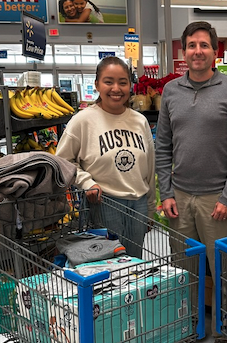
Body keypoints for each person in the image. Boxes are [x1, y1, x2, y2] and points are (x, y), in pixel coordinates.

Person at [155, 21, 227, 343]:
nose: (197, 51)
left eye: (204, 45)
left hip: (217, 201)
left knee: (221, 268)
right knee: (184, 267)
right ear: (184, 52)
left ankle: (224, 331)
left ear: (215, 52)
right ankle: (189, 324)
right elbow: (163, 145)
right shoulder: (171, 92)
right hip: (179, 197)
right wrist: (166, 192)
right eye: (191, 45)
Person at [56, 56, 155, 258]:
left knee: (135, 263)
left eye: (123, 82)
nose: (116, 88)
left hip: (139, 204)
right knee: (108, 263)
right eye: (108, 82)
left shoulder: (140, 121)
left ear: (130, 86)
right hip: (105, 203)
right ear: (97, 85)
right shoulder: (82, 121)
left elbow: (149, 167)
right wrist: (86, 182)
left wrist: (150, 208)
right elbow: (62, 161)